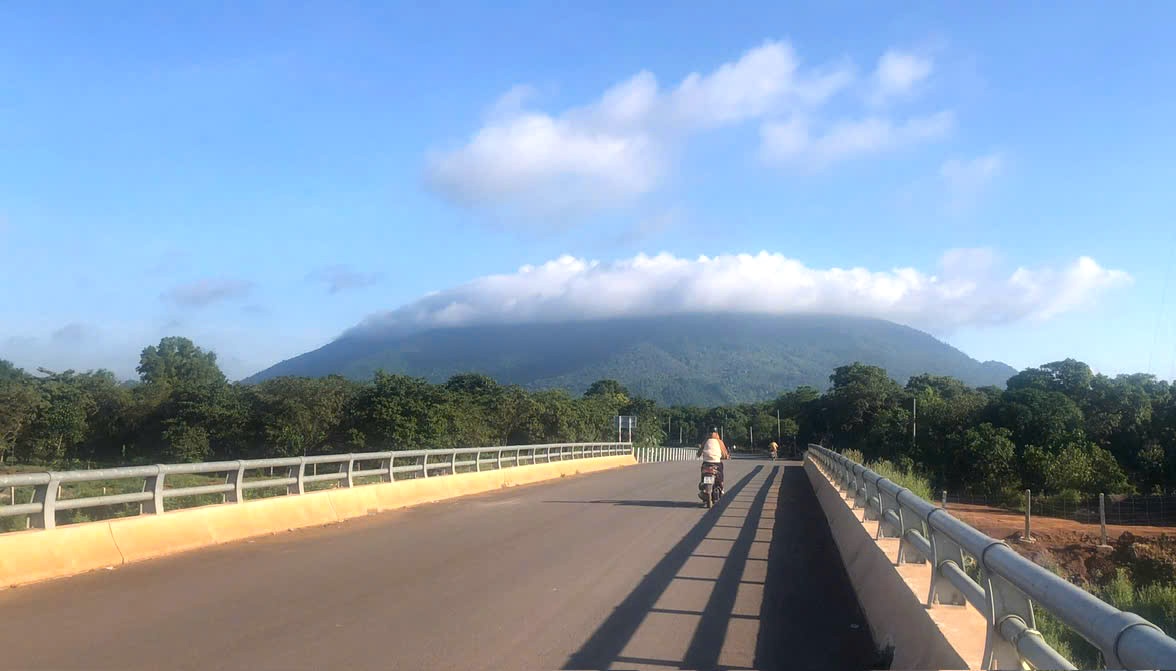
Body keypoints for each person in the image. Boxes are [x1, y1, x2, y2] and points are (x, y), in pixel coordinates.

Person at [696, 429, 731, 496]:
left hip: (706, 463)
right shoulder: (719, 441)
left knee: (703, 473)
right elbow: (724, 452)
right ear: (717, 433)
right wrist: (726, 456)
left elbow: (700, 451)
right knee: (720, 473)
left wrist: (698, 455)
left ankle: (703, 483)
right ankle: (721, 486)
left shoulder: (705, 441)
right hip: (716, 463)